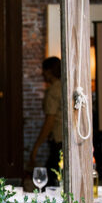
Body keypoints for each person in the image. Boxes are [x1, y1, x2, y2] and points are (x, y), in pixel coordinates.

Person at [28, 56, 62, 185]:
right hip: (65, 139)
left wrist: (36, 147)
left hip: (58, 140)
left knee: (49, 179)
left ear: (49, 71)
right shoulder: (65, 87)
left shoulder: (53, 91)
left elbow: (50, 121)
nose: (42, 73)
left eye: (44, 70)